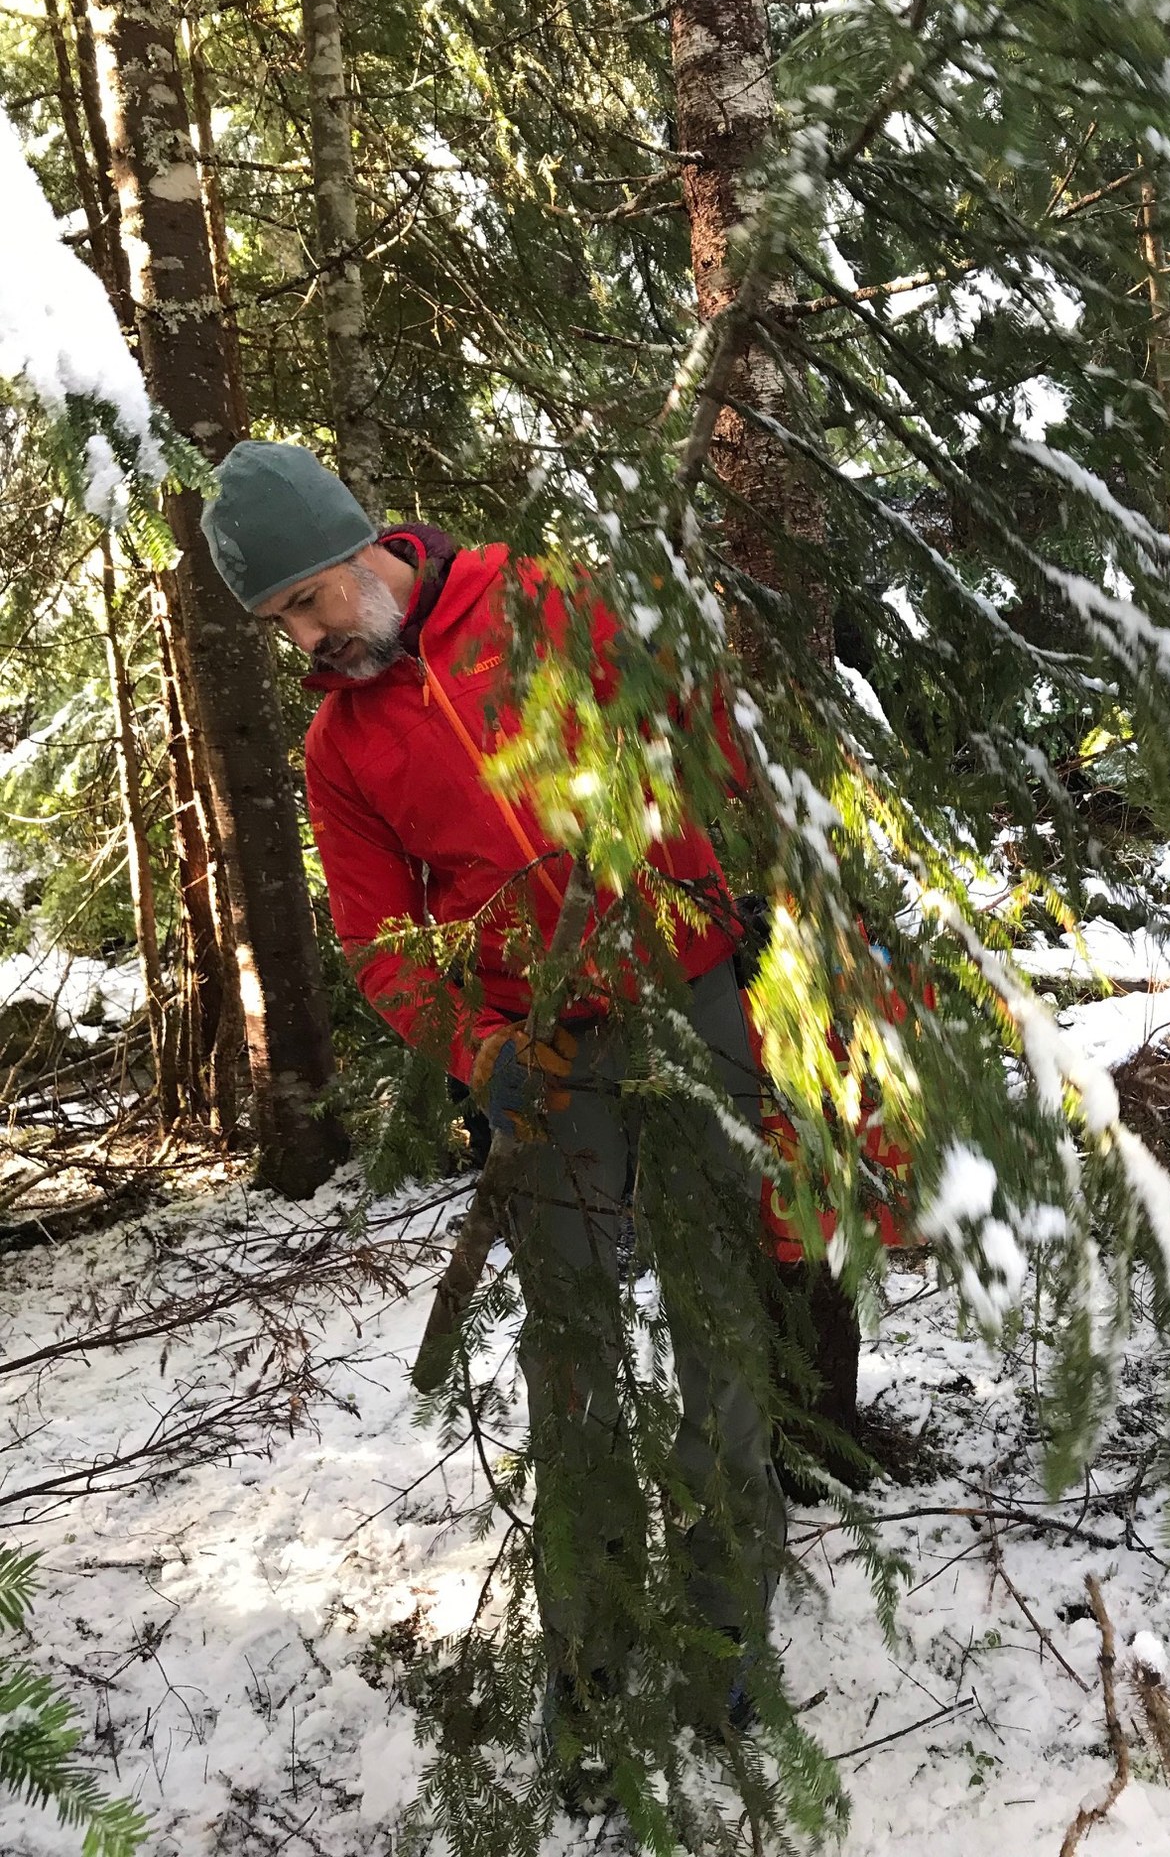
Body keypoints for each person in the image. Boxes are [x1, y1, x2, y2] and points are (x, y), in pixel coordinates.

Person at [200, 439, 785, 1759]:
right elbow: (377, 941)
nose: (304, 636)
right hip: (542, 1054)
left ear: (356, 551)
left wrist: (736, 883)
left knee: (717, 1321)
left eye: (304, 600)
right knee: (570, 1353)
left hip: (686, 995)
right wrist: (480, 1050)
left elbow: (699, 731)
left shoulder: (540, 602)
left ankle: (724, 1634)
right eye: (280, 620)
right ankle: (591, 1645)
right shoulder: (341, 746)